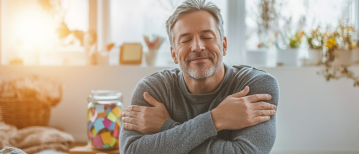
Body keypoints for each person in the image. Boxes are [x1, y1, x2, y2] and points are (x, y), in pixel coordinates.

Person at [120, 0, 279, 153]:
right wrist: (215, 119)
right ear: (174, 54)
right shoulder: (152, 90)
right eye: (185, 40)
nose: (197, 47)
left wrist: (166, 126)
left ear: (224, 45)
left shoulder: (256, 86)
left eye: (207, 37)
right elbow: (131, 151)